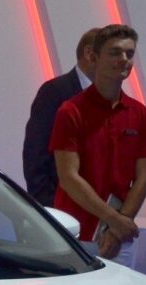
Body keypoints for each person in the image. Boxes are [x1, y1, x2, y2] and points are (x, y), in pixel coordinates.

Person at [49, 24, 146, 261]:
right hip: (75, 235)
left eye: (129, 53)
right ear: (94, 57)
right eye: (115, 52)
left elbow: (143, 177)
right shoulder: (70, 111)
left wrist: (117, 228)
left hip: (118, 237)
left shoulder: (141, 115)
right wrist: (114, 220)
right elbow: (68, 177)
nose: (123, 59)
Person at [22, 27, 98, 206]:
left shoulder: (113, 98)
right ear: (89, 53)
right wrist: (47, 207)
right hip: (61, 208)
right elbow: (36, 152)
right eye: (113, 54)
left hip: (100, 210)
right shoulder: (55, 92)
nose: (122, 61)